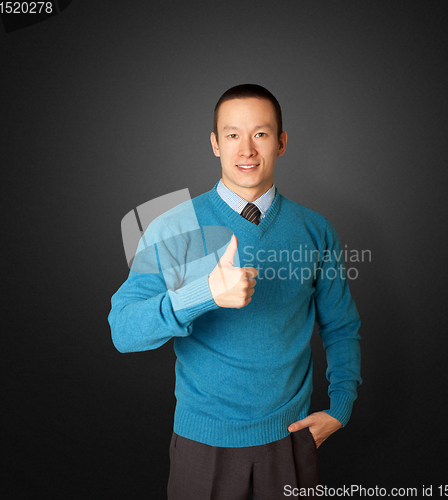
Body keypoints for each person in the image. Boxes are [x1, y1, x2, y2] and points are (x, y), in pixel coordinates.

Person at [108, 84, 361, 499]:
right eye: (232, 135)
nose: (246, 149)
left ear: (281, 143)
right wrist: (202, 293)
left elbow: (342, 326)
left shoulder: (315, 229)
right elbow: (123, 331)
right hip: (203, 445)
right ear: (214, 144)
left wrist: (341, 406)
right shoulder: (173, 227)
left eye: (260, 134)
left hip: (292, 442)